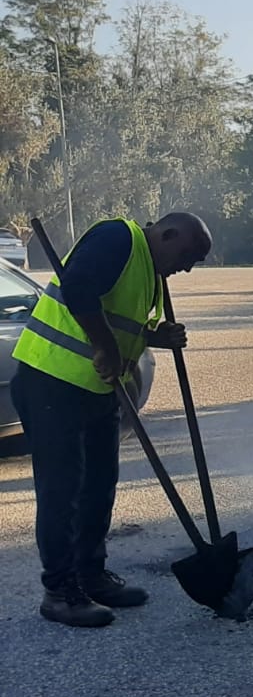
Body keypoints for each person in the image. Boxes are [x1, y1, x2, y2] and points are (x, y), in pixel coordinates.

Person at [12, 212, 212, 627]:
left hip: (99, 389)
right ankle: (60, 591)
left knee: (99, 485)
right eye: (188, 255)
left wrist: (156, 336)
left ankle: (91, 574)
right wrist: (104, 346)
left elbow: (120, 321)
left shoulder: (151, 271)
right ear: (168, 233)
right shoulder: (116, 238)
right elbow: (79, 288)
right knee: (62, 490)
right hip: (52, 382)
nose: (188, 267)